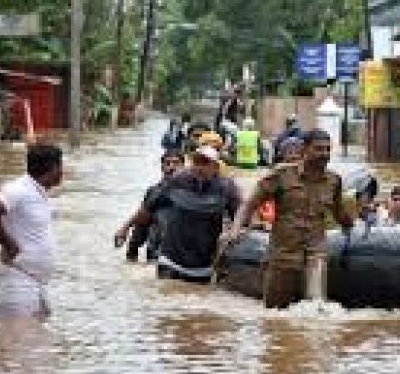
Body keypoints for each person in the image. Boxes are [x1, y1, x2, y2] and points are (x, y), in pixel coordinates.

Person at [226, 129, 354, 308]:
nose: (324, 154)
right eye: (318, 149)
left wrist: (353, 226)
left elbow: (339, 212)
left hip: (315, 252)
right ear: (304, 149)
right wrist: (235, 229)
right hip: (282, 254)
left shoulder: (334, 181)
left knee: (315, 307)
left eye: (327, 149)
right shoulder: (282, 175)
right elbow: (249, 204)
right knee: (275, 313)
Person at [121, 146, 244, 283]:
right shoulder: (177, 181)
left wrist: (235, 230)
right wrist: (125, 228)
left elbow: (241, 213)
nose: (199, 168)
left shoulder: (226, 188)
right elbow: (147, 210)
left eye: (205, 163)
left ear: (215, 167)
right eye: (196, 162)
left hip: (203, 266)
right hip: (170, 260)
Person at [0, 144, 63, 317]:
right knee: (19, 342)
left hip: (35, 282)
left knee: (37, 341)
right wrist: (9, 244)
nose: (63, 172)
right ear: (53, 168)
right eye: (61, 166)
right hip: (17, 282)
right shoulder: (19, 190)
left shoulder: (38, 192)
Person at [114, 150, 184, 262]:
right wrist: (125, 231)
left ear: (183, 166)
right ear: (162, 167)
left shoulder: (193, 189)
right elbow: (143, 217)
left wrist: (125, 228)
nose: (172, 167)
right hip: (159, 248)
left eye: (176, 163)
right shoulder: (154, 191)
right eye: (168, 163)